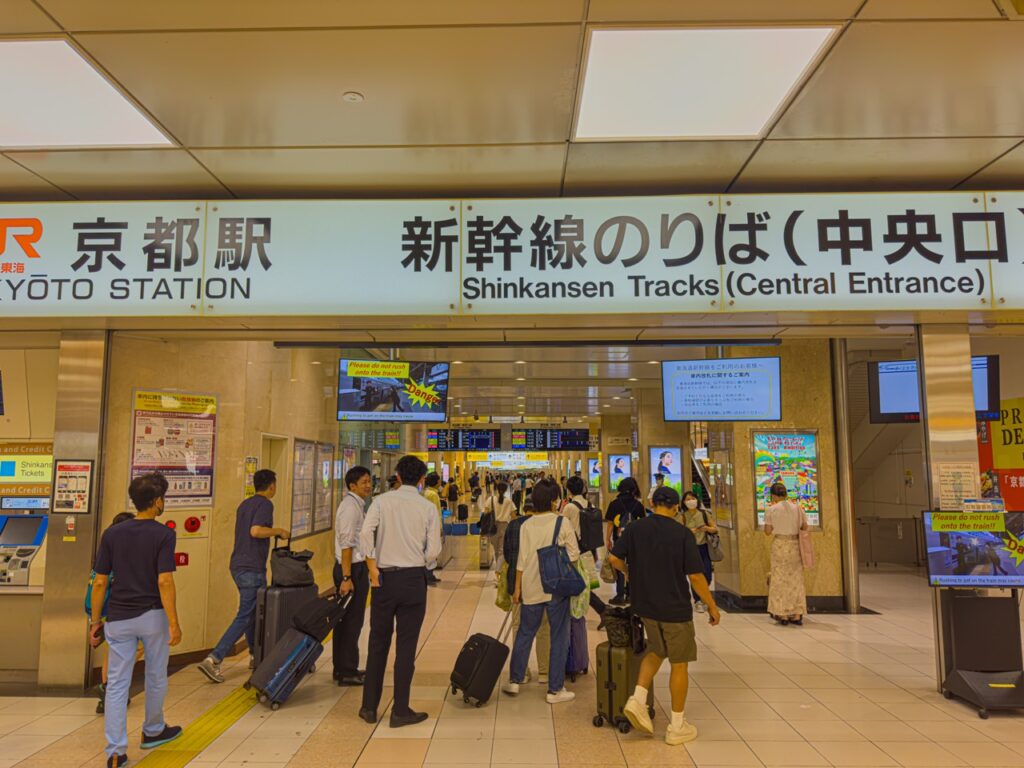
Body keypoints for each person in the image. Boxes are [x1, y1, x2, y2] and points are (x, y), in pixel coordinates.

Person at [609, 485, 719, 746]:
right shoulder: (682, 534)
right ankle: (677, 725)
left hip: (645, 605)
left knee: (656, 651)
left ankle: (638, 700)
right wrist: (712, 605)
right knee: (679, 663)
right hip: (674, 607)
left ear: (652, 504)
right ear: (676, 507)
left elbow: (613, 558)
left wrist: (628, 573)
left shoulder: (635, 528)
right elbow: (695, 576)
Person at [90, 473, 182, 768]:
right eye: (163, 499)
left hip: (118, 618)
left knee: (117, 684)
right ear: (157, 502)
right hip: (152, 616)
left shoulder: (112, 534)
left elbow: (100, 582)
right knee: (156, 675)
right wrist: (174, 622)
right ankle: (153, 730)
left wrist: (95, 621)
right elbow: (165, 581)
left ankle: (116, 752)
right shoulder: (163, 534)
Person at [359, 455, 442, 728]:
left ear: (397, 476)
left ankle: (369, 708)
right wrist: (423, 562)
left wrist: (372, 566)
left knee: (377, 642)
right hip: (413, 580)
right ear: (421, 479)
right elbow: (434, 549)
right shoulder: (427, 507)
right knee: (406, 647)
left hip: (383, 579)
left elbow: (365, 533)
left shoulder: (381, 501)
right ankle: (400, 710)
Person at [199, 469, 290, 683]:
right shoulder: (265, 504)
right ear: (271, 486)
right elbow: (256, 531)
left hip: (237, 565)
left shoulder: (244, 504)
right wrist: (279, 531)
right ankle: (214, 659)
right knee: (245, 615)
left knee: (252, 612)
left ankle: (255, 655)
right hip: (252, 568)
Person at [504, 478, 579, 704]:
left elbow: (521, 560)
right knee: (558, 636)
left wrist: (517, 588)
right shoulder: (562, 522)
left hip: (530, 586)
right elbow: (574, 555)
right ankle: (555, 689)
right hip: (555, 587)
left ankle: (515, 680)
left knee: (525, 632)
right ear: (554, 500)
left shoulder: (525, 525)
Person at [90, 512, 136, 715]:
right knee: (130, 649)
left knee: (114, 650)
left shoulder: (107, 548)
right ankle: (109, 689)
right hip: (122, 609)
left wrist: (95, 620)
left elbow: (98, 584)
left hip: (107, 609)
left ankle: (107, 693)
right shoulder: (127, 552)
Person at [333, 465, 373, 686]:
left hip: (352, 568)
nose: (368, 485)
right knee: (352, 620)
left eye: (369, 481)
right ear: (352, 485)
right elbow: (347, 544)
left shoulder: (356, 505)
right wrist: (347, 578)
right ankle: (347, 670)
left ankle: (342, 667)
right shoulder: (350, 507)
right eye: (364, 482)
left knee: (346, 620)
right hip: (350, 569)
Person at [503, 495, 548, 685]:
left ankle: (522, 671)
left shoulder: (513, 526)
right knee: (543, 627)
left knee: (518, 626)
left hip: (517, 583)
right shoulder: (543, 526)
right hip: (540, 583)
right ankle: (544, 672)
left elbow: (507, 555)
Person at [764, 482, 808, 626]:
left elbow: (767, 531)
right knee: (796, 579)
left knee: (779, 578)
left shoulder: (771, 509)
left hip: (780, 545)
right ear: (786, 494)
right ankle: (797, 614)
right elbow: (805, 526)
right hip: (795, 545)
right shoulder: (798, 508)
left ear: (773, 495)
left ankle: (782, 613)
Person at [604, 478, 645, 606]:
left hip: (619, 539)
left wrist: (608, 539)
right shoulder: (638, 505)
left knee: (619, 565)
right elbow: (642, 524)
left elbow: (610, 523)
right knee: (632, 565)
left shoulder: (614, 503)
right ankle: (630, 594)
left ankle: (620, 594)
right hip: (634, 539)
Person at [681, 491, 717, 614]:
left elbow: (714, 528)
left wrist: (706, 528)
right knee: (695, 575)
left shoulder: (704, 514)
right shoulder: (683, 516)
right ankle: (698, 601)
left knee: (707, 575)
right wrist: (689, 531)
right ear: (684, 502)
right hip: (691, 548)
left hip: (704, 547)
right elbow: (679, 532)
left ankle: (703, 596)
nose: (691, 501)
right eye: (688, 499)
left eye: (693, 498)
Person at [486, 481, 517, 570]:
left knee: (496, 550)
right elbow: (514, 517)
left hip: (493, 527)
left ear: (496, 488)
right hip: (505, 527)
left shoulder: (490, 499)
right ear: (506, 490)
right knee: (502, 550)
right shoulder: (509, 501)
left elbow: (485, 513)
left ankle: (498, 568)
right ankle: (500, 570)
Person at [422, 472, 443, 585]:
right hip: (431, 526)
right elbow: (436, 512)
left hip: (424, 525)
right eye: (439, 480)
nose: (440, 482)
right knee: (432, 550)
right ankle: (429, 575)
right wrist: (439, 527)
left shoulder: (425, 492)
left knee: (426, 549)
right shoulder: (433, 495)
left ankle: (428, 574)